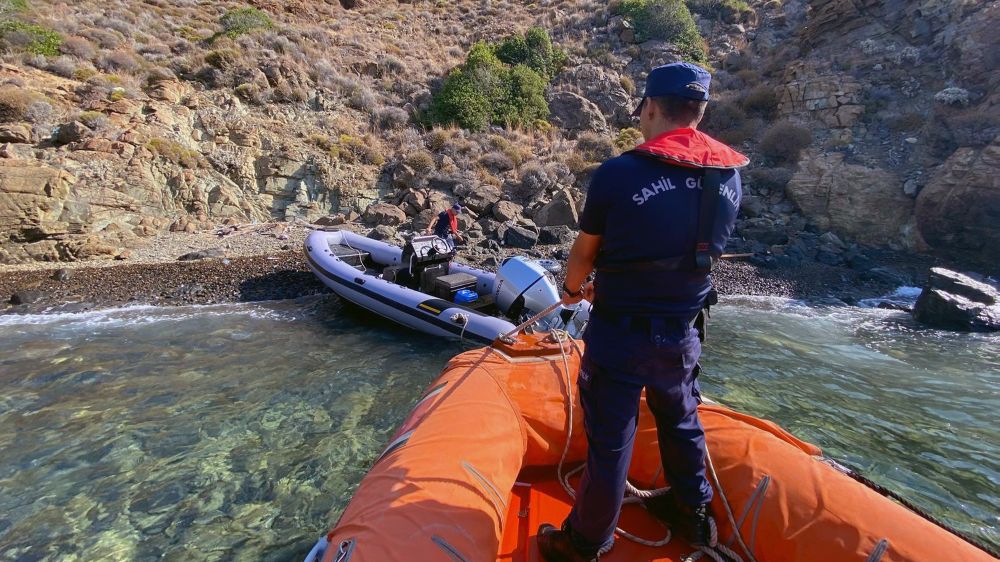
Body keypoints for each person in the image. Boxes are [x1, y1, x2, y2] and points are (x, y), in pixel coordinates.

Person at [536, 62, 749, 561]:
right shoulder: (729, 176)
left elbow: (585, 253)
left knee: (611, 441)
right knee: (681, 422)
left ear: (650, 107)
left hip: (620, 334)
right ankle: (693, 518)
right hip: (683, 333)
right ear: (700, 110)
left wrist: (572, 289)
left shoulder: (619, 173)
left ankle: (586, 542)